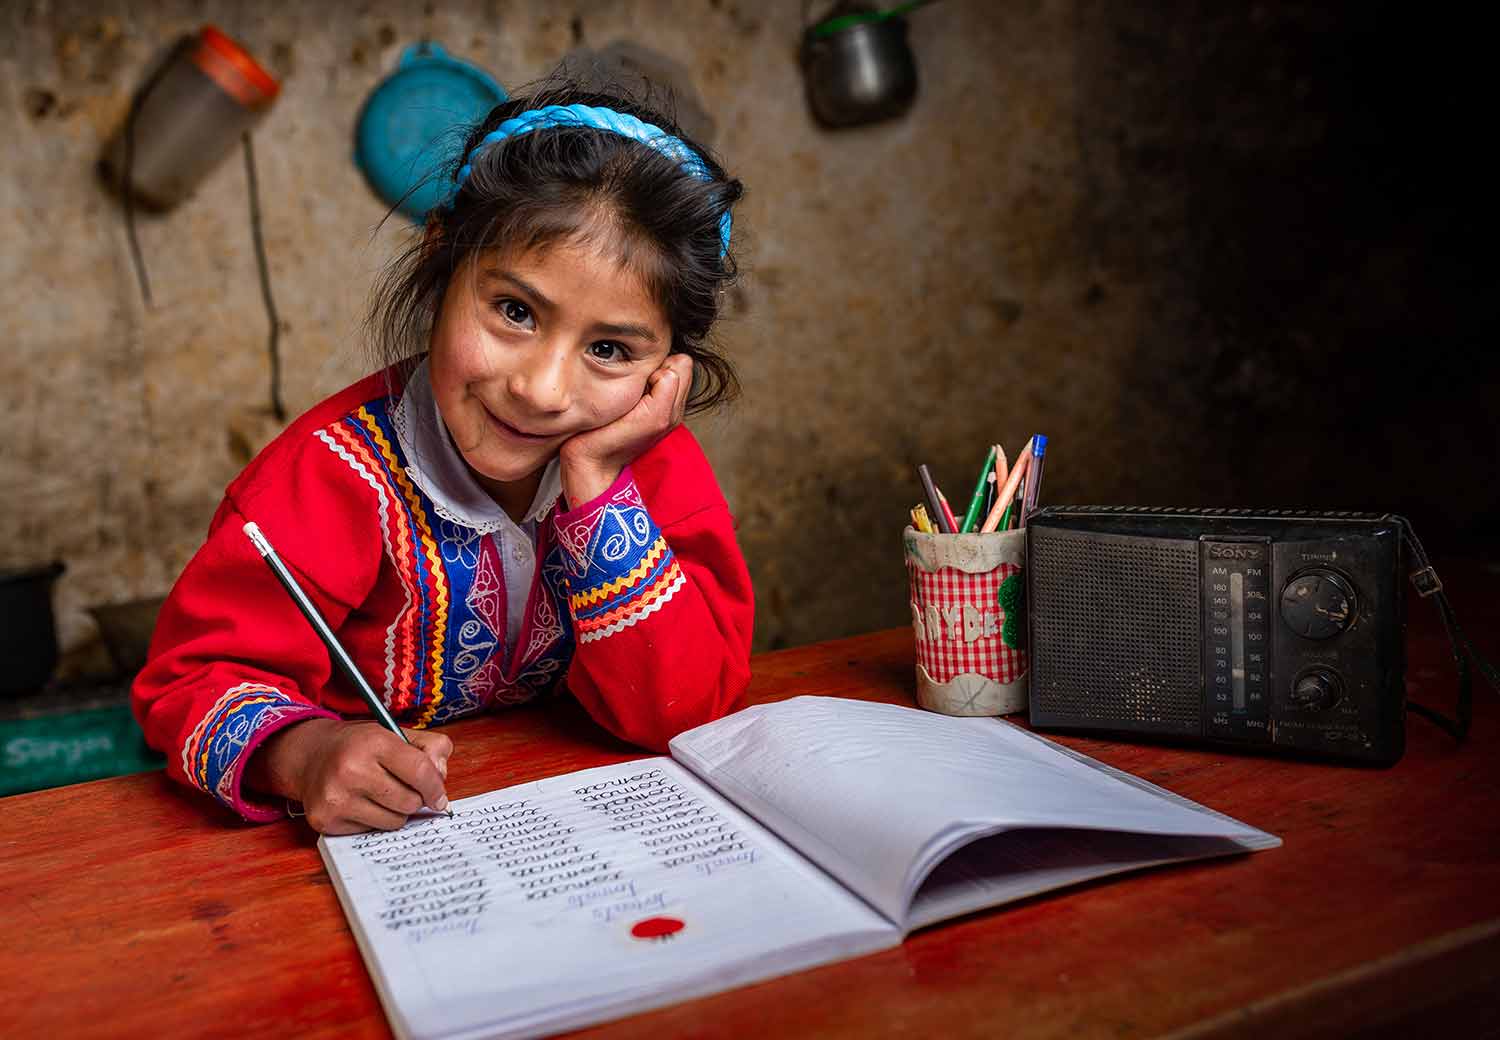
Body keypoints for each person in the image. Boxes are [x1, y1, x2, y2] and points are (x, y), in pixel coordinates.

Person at [131, 81, 754, 835]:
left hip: (574, 838)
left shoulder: (649, 466)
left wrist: (598, 490)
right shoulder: (328, 477)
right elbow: (188, 684)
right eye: (515, 311)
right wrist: (308, 751)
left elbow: (681, 712)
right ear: (442, 260)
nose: (541, 389)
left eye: (609, 350)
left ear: (668, 370)